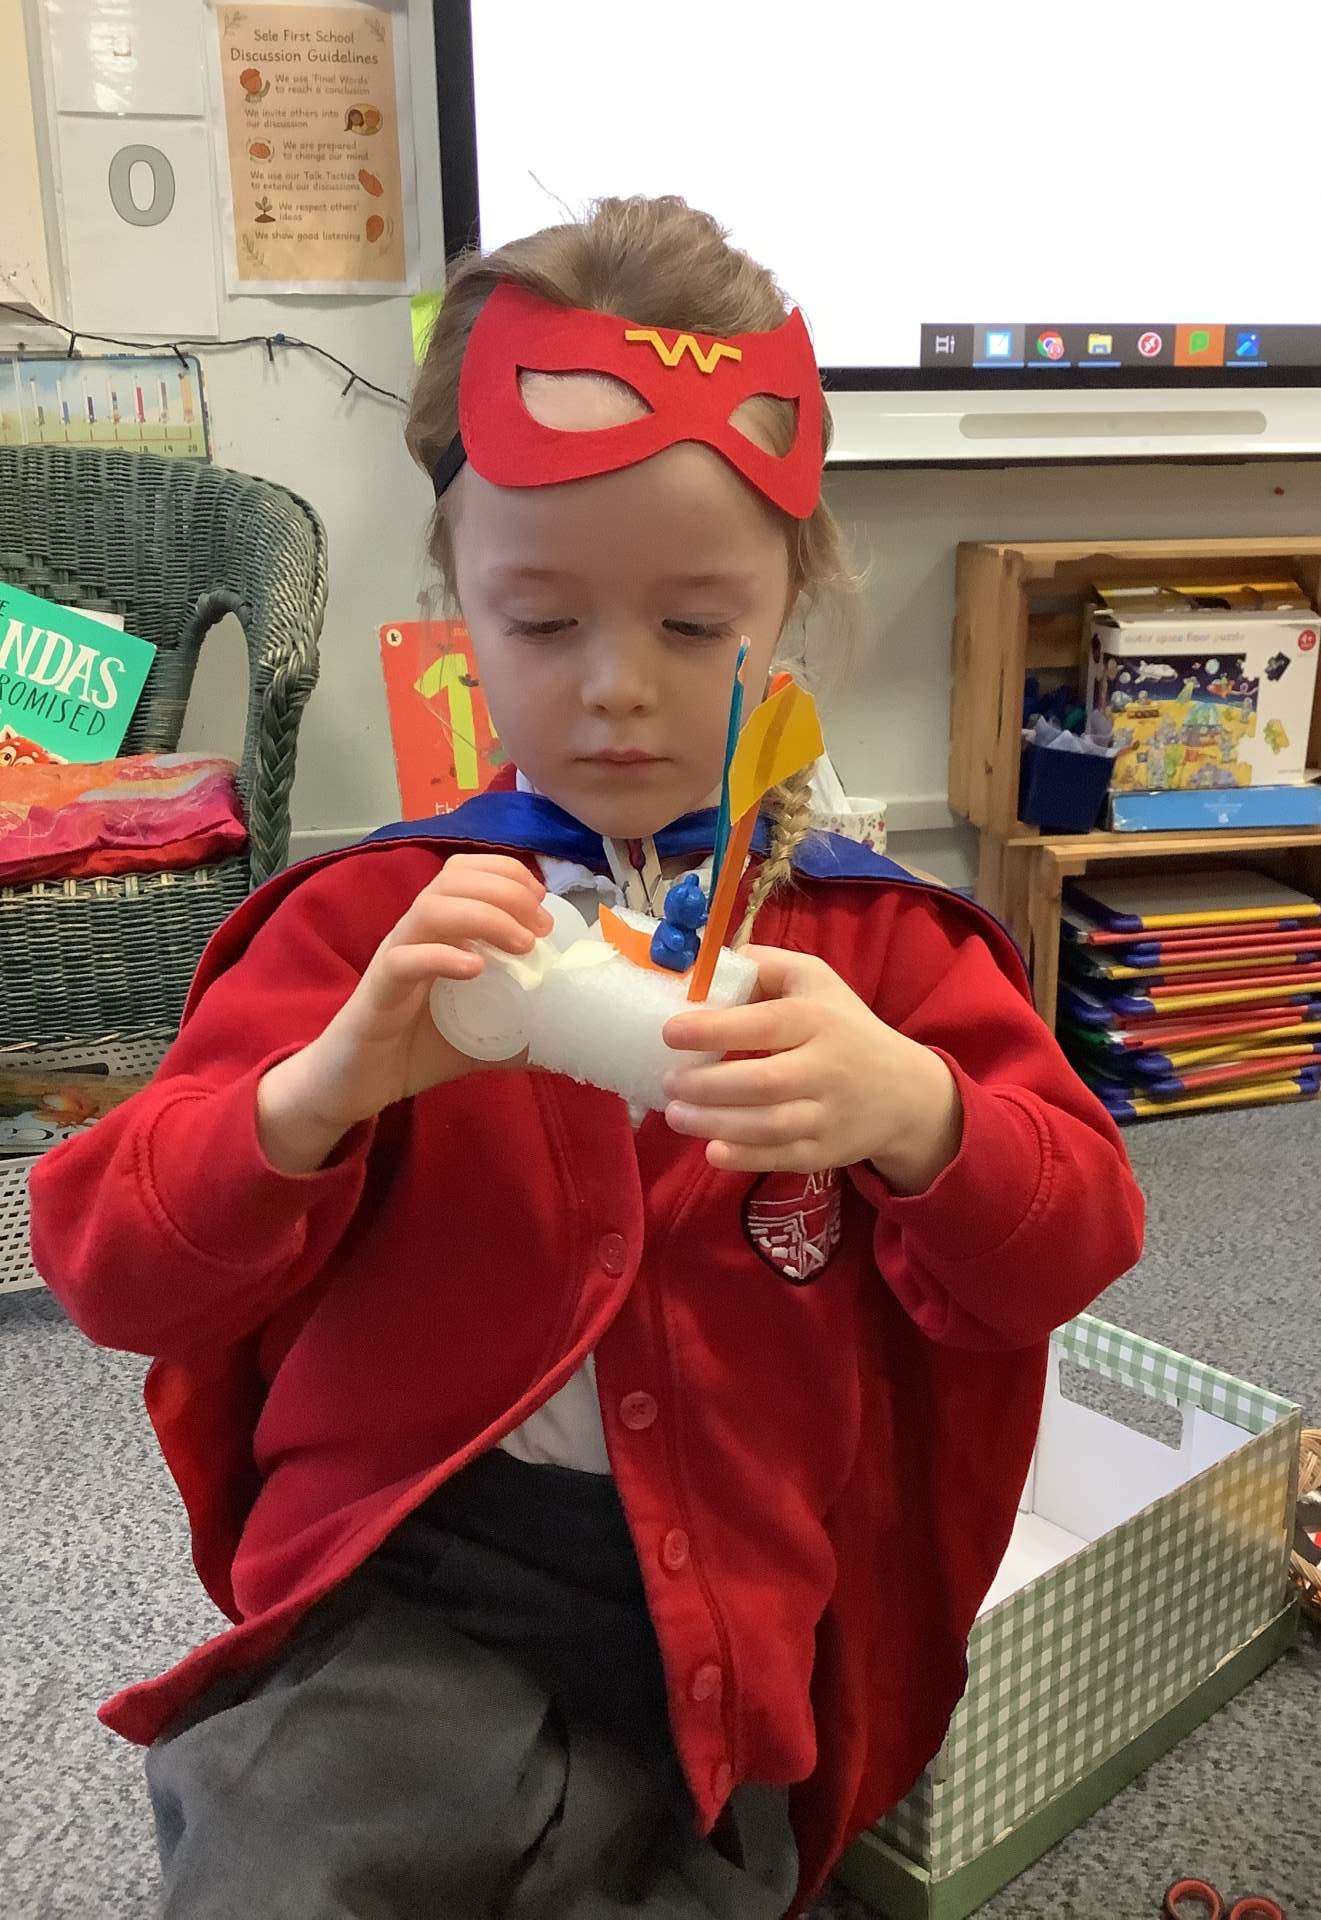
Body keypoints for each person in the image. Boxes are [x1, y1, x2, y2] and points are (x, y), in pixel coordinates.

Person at [29, 196, 1146, 1919]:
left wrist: (920, 1113)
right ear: (456, 606)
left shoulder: (879, 950)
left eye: (693, 628)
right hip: (419, 1579)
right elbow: (107, 1263)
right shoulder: (375, 929)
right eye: (544, 625)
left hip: (737, 1621)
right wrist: (317, 1097)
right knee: (287, 1859)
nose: (618, 689)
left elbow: (1072, 1239)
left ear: (791, 606)